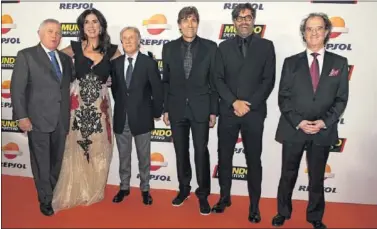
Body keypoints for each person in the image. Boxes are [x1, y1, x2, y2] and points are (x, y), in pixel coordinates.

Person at [272, 13, 349, 229]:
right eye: (309, 29)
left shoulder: (339, 63)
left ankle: (315, 217)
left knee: (317, 178)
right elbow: (283, 97)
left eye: (318, 28)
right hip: (293, 129)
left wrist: (324, 122)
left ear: (326, 32)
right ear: (303, 33)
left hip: (323, 131)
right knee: (287, 174)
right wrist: (299, 122)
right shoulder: (290, 62)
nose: (314, 32)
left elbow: (341, 99)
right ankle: (282, 212)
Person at [51, 8, 121, 212]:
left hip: (100, 107)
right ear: (82, 26)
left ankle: (94, 188)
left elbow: (125, 76)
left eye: (95, 21)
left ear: (101, 25)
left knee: (100, 147)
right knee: (76, 145)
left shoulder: (112, 50)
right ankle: (77, 187)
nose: (91, 26)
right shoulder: (73, 48)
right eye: (87, 22)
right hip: (78, 107)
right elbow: (51, 61)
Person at [212, 3, 276, 223]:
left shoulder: (266, 46)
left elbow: (269, 80)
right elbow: (217, 79)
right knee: (224, 157)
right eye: (239, 18)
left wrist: (248, 104)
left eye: (248, 17)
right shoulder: (223, 47)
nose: (244, 21)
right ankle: (224, 197)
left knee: (253, 160)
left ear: (254, 20)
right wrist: (233, 102)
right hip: (228, 111)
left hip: (254, 112)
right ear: (234, 22)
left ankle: (254, 205)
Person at [10, 19, 74, 216]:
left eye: (58, 32)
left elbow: (65, 88)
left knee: (56, 161)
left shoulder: (64, 59)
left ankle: (51, 191)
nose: (55, 35)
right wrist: (22, 116)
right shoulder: (26, 55)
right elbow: (17, 90)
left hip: (61, 120)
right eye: (50, 31)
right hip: (36, 120)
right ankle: (45, 199)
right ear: (39, 33)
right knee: (41, 162)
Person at [161, 6, 218, 215]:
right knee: (180, 152)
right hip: (176, 108)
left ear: (197, 23)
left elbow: (214, 82)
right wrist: (166, 108)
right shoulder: (168, 48)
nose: (190, 24)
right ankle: (184, 189)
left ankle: (203, 195)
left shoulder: (211, 48)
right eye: (185, 21)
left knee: (201, 152)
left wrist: (213, 111)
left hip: (201, 108)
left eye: (193, 20)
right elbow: (165, 81)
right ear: (179, 25)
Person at [111, 26, 163, 205]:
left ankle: (145, 189)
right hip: (121, 118)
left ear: (139, 40)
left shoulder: (148, 63)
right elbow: (117, 91)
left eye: (131, 37)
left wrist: (155, 113)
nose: (127, 41)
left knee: (144, 156)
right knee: (123, 156)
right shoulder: (116, 64)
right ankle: (124, 187)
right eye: (124, 38)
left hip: (142, 117)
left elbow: (157, 89)